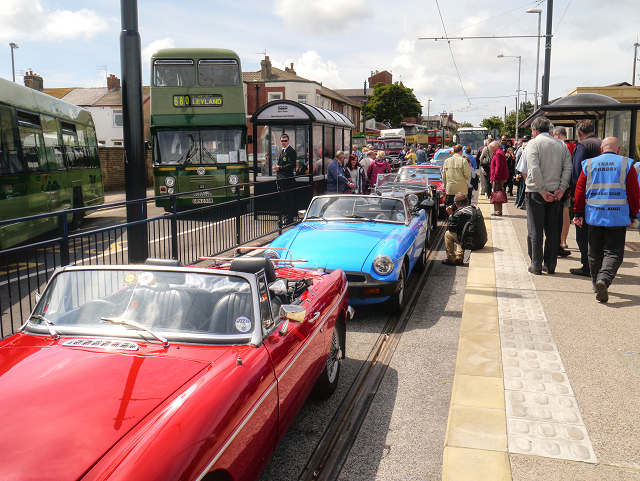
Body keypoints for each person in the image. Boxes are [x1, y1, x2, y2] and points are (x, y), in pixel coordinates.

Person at [573, 137, 639, 302]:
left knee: (594, 251)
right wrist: (633, 214)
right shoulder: (626, 164)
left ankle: (597, 283)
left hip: (594, 215)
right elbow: (634, 191)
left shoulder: (589, 164)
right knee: (614, 252)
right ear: (618, 150)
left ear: (602, 149)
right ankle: (605, 279)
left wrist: (578, 212)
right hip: (617, 216)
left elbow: (580, 189)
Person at [524, 117, 572, 275]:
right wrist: (562, 188)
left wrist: (541, 189)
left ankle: (536, 265)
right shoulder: (561, 144)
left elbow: (534, 168)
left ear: (535, 130)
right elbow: (567, 167)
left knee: (535, 230)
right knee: (552, 231)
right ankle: (550, 265)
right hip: (556, 193)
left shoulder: (533, 144)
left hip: (536, 193)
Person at [570, 120, 602, 278]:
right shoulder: (604, 144)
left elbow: (577, 173)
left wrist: (575, 196)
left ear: (578, 133)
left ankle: (587, 265)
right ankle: (599, 264)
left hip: (587, 196)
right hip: (605, 196)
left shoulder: (582, 146)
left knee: (582, 232)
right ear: (594, 130)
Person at [553, 126, 575, 256]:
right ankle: (564, 240)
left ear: (557, 135)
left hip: (561, 184)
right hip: (570, 185)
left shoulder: (561, 147)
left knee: (560, 213)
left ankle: (560, 241)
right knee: (566, 212)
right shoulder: (574, 146)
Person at [442, 193, 473, 265]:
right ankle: (459, 257)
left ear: (456, 204)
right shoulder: (473, 209)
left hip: (468, 240)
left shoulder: (459, 214)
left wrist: (451, 215)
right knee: (461, 231)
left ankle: (451, 258)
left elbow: (451, 227)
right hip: (477, 239)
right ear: (467, 201)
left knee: (448, 234)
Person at [275, 134, 297, 223]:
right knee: (283, 200)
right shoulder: (283, 151)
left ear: (288, 141)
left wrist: (280, 168)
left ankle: (289, 218)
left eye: (285, 141)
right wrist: (277, 178)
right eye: (282, 141)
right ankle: (286, 218)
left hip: (287, 180)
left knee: (288, 200)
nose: (283, 142)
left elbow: (292, 165)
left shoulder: (291, 151)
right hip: (281, 179)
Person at [489, 140, 509, 216]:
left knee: (497, 194)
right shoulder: (498, 153)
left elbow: (498, 167)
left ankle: (498, 211)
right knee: (496, 192)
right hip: (497, 177)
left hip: (498, 177)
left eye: (491, 148)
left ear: (495, 146)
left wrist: (496, 177)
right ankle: (496, 210)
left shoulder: (498, 154)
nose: (491, 149)